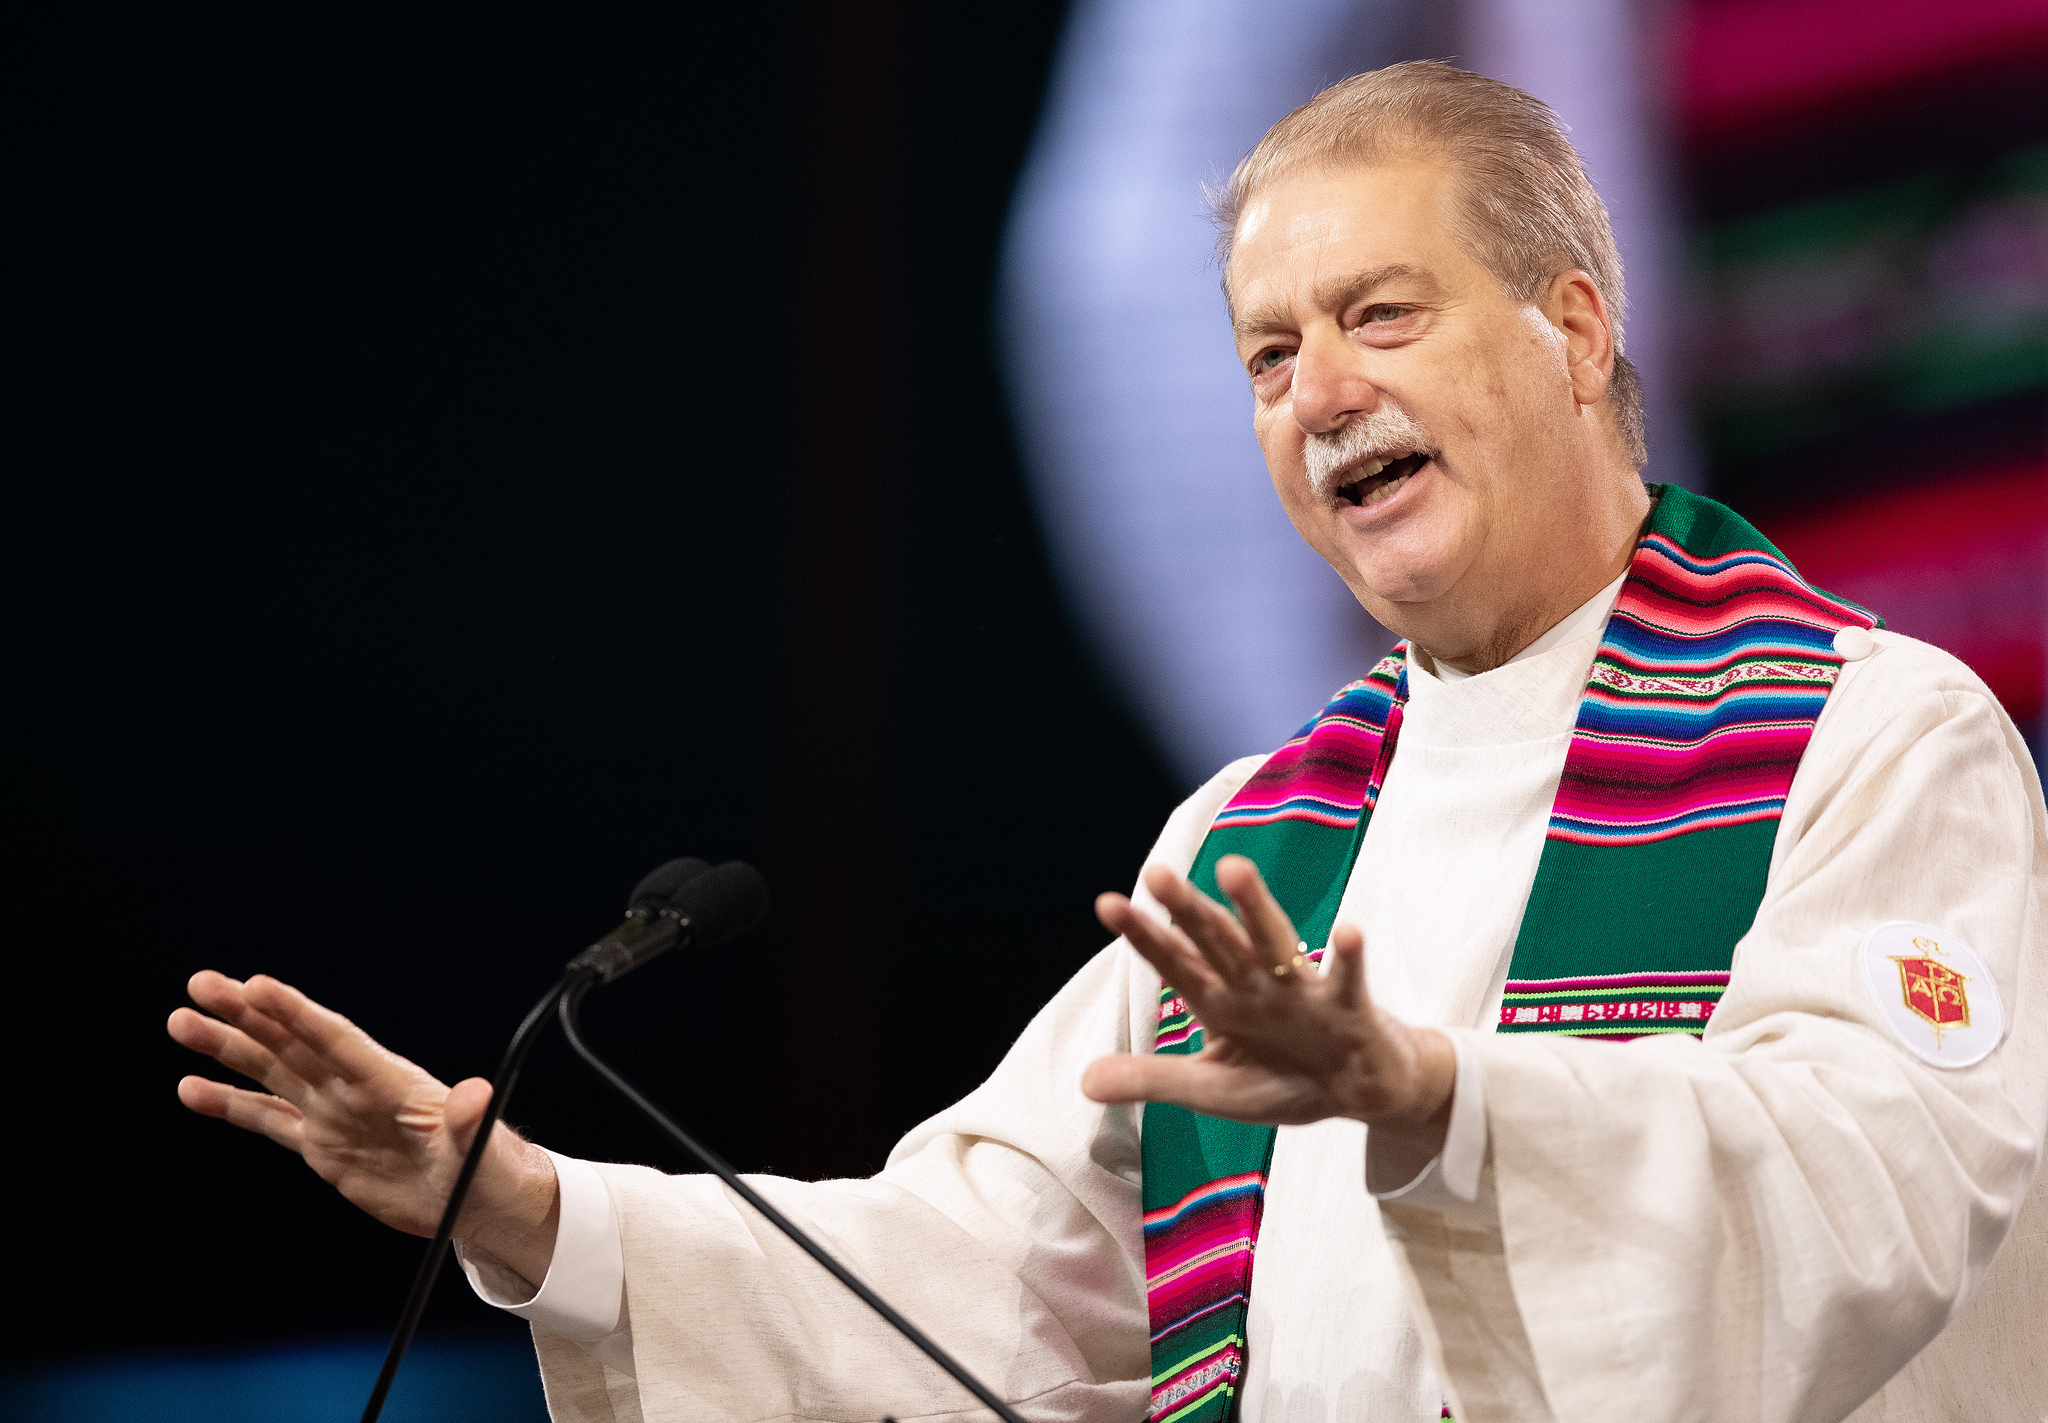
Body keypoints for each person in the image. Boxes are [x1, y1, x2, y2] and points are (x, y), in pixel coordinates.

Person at [168, 63, 2047, 1423]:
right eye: (1265, 353)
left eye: (1378, 313)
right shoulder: (1252, 834)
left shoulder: (1877, 740)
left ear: (1573, 328)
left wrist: (1435, 1101)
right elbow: (980, 1280)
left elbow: (1865, 1191)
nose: (1320, 392)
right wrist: (527, 1205)